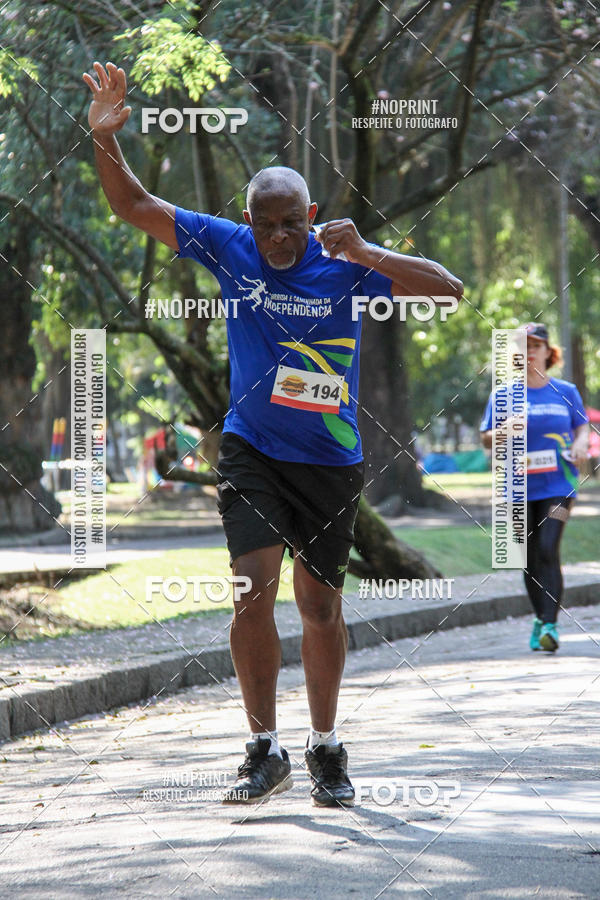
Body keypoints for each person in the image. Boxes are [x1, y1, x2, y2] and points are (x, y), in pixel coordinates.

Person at [83, 61, 463, 806]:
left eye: (295, 221)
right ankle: (263, 746)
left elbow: (447, 288)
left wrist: (364, 254)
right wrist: (103, 139)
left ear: (312, 211)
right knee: (249, 593)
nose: (282, 236)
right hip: (252, 449)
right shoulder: (227, 247)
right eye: (268, 223)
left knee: (320, 607)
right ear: (249, 219)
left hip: (329, 458)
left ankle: (325, 748)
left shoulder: (343, 262)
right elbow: (133, 204)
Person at [481, 323, 589, 652]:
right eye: (523, 346)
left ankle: (551, 626)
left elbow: (582, 427)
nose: (529, 351)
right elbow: (486, 438)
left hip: (559, 484)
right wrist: (505, 429)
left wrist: (582, 444)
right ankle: (540, 620)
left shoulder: (566, 391)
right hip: (517, 487)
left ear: (547, 351)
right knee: (528, 557)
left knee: (547, 547)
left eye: (535, 345)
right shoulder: (502, 395)